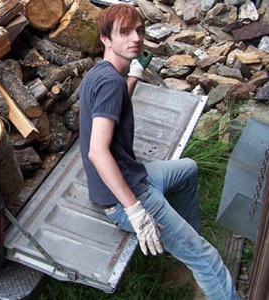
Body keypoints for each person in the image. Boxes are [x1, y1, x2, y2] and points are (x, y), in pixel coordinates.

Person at [79, 3, 240, 299]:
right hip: (125, 197)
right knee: (209, 258)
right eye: (124, 32)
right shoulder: (109, 82)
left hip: (136, 176)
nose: (136, 38)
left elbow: (112, 107)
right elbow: (97, 152)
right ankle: (196, 257)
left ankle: (183, 246)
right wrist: (135, 211)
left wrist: (134, 77)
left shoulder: (104, 74)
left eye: (139, 31)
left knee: (188, 168)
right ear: (105, 39)